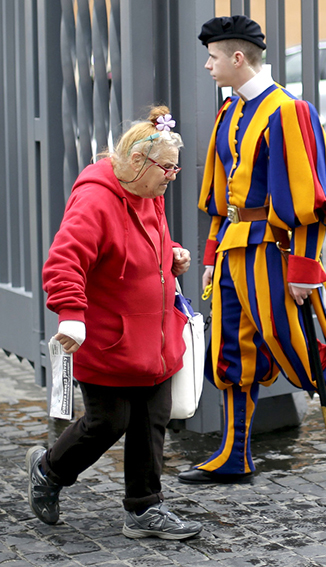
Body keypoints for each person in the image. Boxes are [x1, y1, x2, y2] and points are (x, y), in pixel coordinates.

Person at [178, 15, 326, 487]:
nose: (208, 66)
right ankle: (235, 455)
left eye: (212, 58)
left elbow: (310, 201)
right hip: (233, 254)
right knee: (232, 352)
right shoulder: (230, 111)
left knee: (299, 350)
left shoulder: (289, 111)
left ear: (236, 58)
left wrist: (304, 268)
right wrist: (211, 258)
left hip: (271, 254)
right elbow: (219, 198)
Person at [26, 106, 202, 540]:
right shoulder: (95, 199)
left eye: (175, 166)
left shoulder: (149, 192)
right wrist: (71, 315)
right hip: (109, 338)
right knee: (109, 421)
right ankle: (47, 471)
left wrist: (172, 254)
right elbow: (64, 262)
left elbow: (145, 240)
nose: (173, 175)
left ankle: (144, 509)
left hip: (154, 335)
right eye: (167, 167)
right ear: (139, 163)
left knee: (152, 418)